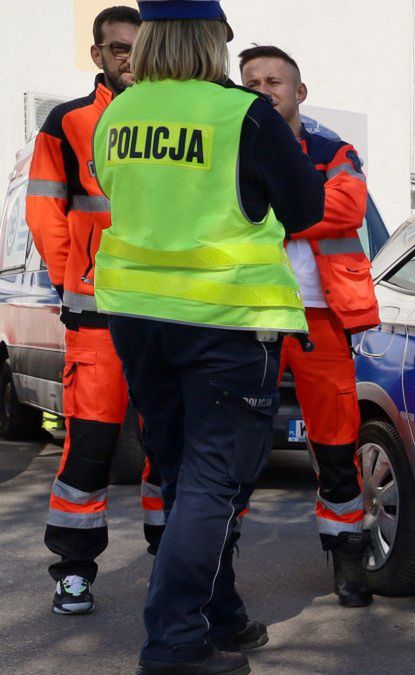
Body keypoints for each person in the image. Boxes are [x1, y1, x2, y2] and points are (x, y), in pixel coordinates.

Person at [91, 2, 325, 672]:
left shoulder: (119, 113)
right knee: (214, 481)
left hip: (138, 319)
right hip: (226, 321)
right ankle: (173, 643)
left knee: (184, 474)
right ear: (210, 40)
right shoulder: (241, 113)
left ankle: (219, 614)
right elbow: (306, 206)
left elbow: (113, 187)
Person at [26, 5, 164, 617]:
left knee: (170, 442)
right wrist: (71, 280)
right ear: (98, 56)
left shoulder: (177, 116)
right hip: (97, 312)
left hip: (165, 310)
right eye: (116, 49)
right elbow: (45, 211)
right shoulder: (68, 122)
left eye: (138, 47)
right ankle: (74, 570)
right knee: (89, 446)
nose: (128, 58)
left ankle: (172, 562)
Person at [239, 45, 380, 608]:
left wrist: (273, 212)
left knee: (336, 441)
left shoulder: (332, 149)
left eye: (275, 80)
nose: (263, 88)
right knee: (236, 448)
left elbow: (346, 209)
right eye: (250, 81)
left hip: (320, 317)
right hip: (249, 317)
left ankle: (347, 561)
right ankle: (216, 567)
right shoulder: (229, 149)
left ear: (300, 93)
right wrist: (301, 208)